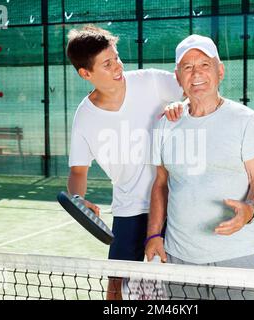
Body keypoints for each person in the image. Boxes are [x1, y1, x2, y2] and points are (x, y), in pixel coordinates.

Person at [145, 34, 254, 300]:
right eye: (188, 67)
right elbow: (160, 184)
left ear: (220, 71)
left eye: (205, 65)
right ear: (178, 77)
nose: (197, 74)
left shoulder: (245, 120)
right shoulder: (165, 123)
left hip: (235, 258)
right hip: (178, 257)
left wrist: (249, 210)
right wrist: (153, 235)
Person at [65, 25, 183, 300]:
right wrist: (77, 197)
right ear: (86, 74)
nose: (118, 66)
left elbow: (195, 90)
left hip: (172, 203)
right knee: (115, 288)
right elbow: (77, 171)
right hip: (128, 210)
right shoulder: (84, 117)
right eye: (107, 64)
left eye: (116, 57)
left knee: (174, 287)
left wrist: (182, 105)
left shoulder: (151, 81)